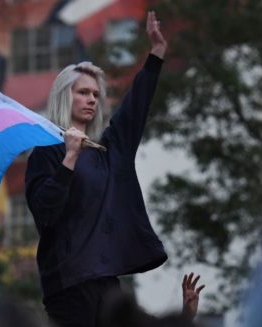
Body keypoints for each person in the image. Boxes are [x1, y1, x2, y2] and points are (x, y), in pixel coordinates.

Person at [25, 11, 169, 327]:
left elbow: (135, 107)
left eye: (95, 94)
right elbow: (44, 214)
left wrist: (156, 55)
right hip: (68, 284)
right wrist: (69, 160)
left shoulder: (109, 150)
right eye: (83, 92)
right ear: (65, 96)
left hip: (106, 280)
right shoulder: (46, 153)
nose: (92, 99)